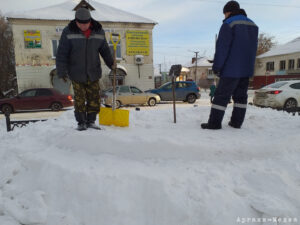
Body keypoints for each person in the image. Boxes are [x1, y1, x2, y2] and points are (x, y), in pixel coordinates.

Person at [201, 1, 258, 130]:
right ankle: (236, 123)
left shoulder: (229, 24)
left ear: (228, 12)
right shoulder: (253, 25)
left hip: (231, 70)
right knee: (241, 98)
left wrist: (217, 67)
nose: (224, 16)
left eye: (225, 13)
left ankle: (214, 124)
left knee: (221, 97)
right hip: (247, 69)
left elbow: (222, 48)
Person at [56, 7, 114, 131]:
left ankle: (91, 121)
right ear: (76, 21)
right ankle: (81, 123)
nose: (83, 26)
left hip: (93, 72)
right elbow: (62, 53)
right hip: (76, 73)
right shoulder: (68, 31)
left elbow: (105, 50)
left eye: (86, 23)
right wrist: (62, 71)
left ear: (90, 21)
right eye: (80, 24)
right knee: (80, 99)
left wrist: (112, 65)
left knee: (94, 99)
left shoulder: (99, 31)